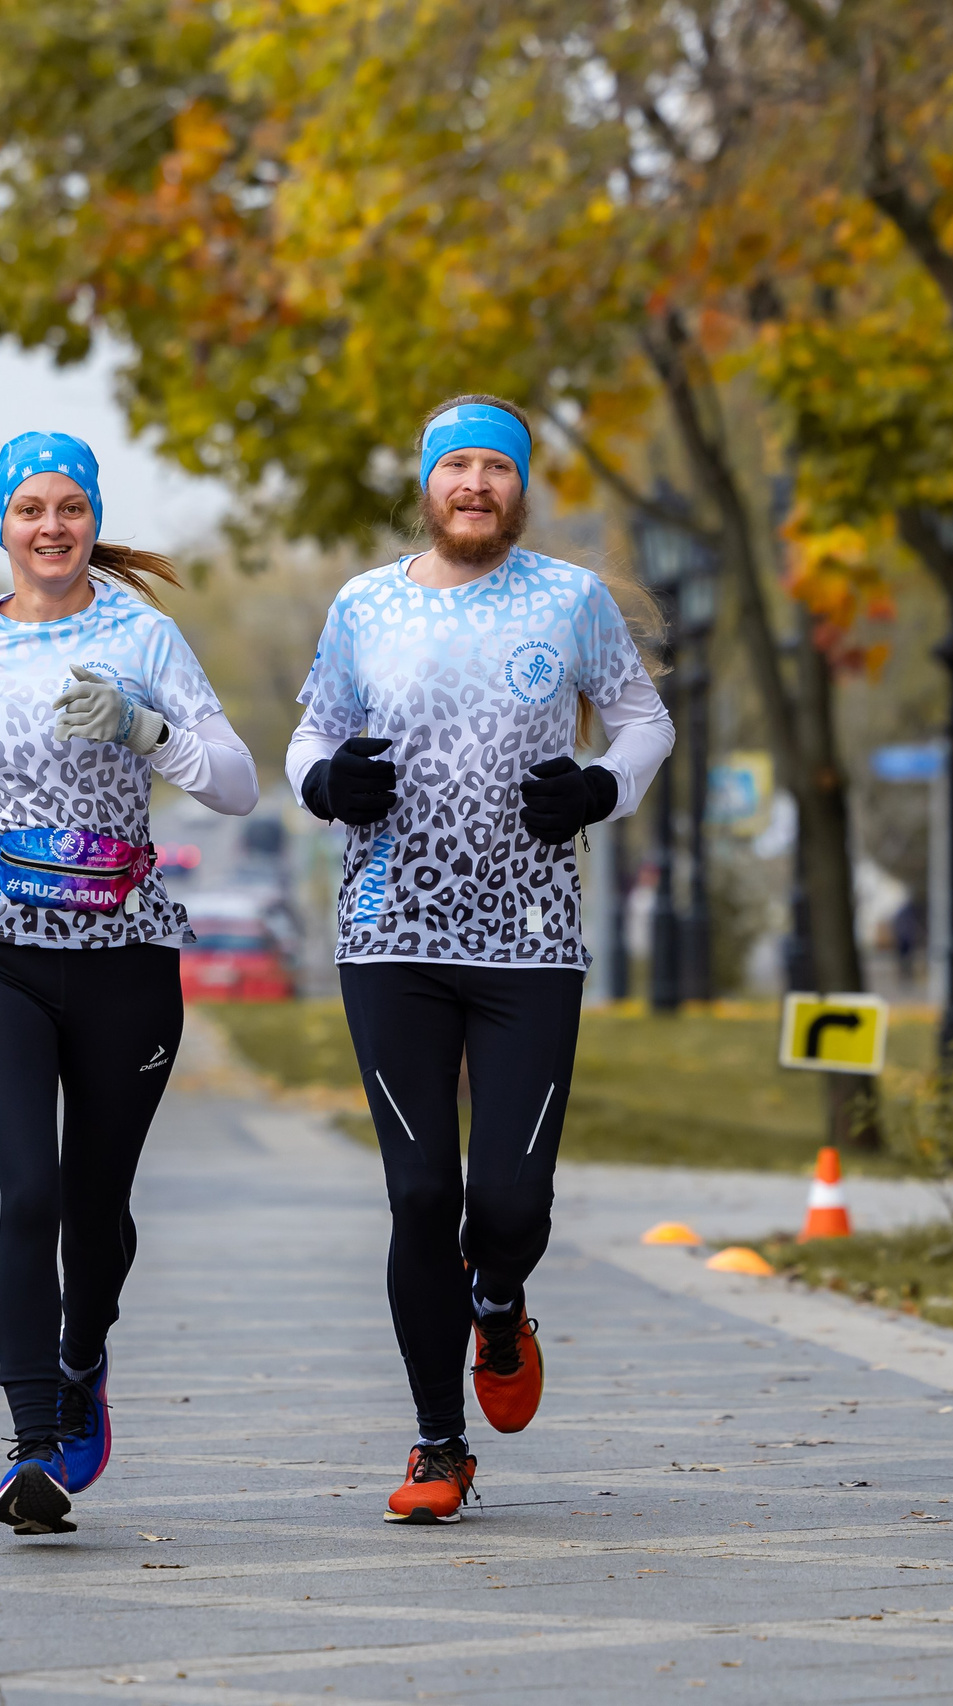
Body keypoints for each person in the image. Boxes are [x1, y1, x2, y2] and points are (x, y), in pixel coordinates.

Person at [286, 395, 673, 1524]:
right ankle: (437, 1442)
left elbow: (643, 719)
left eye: (493, 468)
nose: (473, 484)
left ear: (518, 487)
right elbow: (312, 731)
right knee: (419, 1194)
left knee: (506, 1197)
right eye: (453, 465)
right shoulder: (364, 605)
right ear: (427, 483)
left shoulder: (571, 599)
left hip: (530, 942)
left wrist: (605, 784)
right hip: (389, 933)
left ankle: (499, 1300)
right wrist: (322, 782)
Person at [0, 432, 258, 1536]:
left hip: (124, 958)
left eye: (70, 508)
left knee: (96, 1211)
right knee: (29, 1192)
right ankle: (33, 1442)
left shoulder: (145, 635)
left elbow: (236, 783)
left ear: (92, 520)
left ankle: (83, 1351)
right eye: (29, 509)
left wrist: (145, 730)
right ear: (0, 523)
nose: (50, 527)